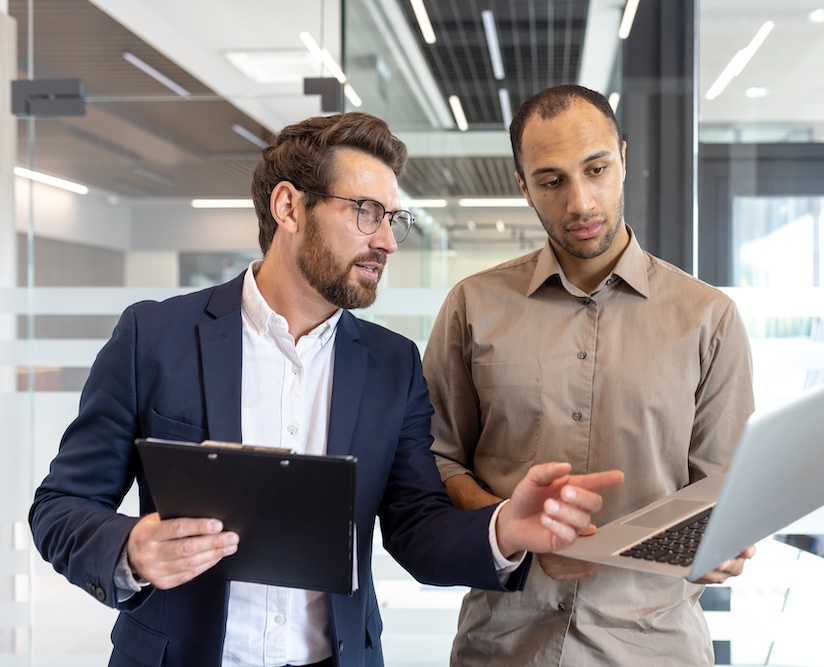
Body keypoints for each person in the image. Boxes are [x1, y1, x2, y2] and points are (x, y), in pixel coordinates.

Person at [29, 111, 623, 667]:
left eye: (394, 219)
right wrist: (132, 547)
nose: (387, 241)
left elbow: (416, 524)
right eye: (366, 211)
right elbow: (60, 507)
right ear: (288, 207)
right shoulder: (154, 337)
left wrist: (503, 529)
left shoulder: (391, 364)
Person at [423, 84, 756, 665]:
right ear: (523, 186)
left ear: (623, 159)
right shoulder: (473, 306)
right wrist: (515, 533)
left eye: (596, 169)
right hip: (502, 647)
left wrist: (724, 540)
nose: (580, 202)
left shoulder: (709, 318)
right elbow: (437, 459)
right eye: (552, 181)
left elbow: (725, 492)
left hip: (653, 648)